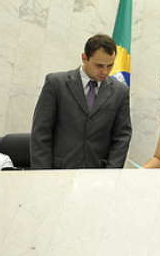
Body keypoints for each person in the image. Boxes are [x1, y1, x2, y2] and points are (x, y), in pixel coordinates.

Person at [31, 34, 132, 169]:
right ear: (84, 58)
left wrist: (111, 174)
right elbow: (41, 132)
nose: (105, 71)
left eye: (110, 66)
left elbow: (122, 137)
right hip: (58, 172)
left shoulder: (120, 92)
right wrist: (41, 174)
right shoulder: (56, 83)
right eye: (99, 65)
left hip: (98, 175)